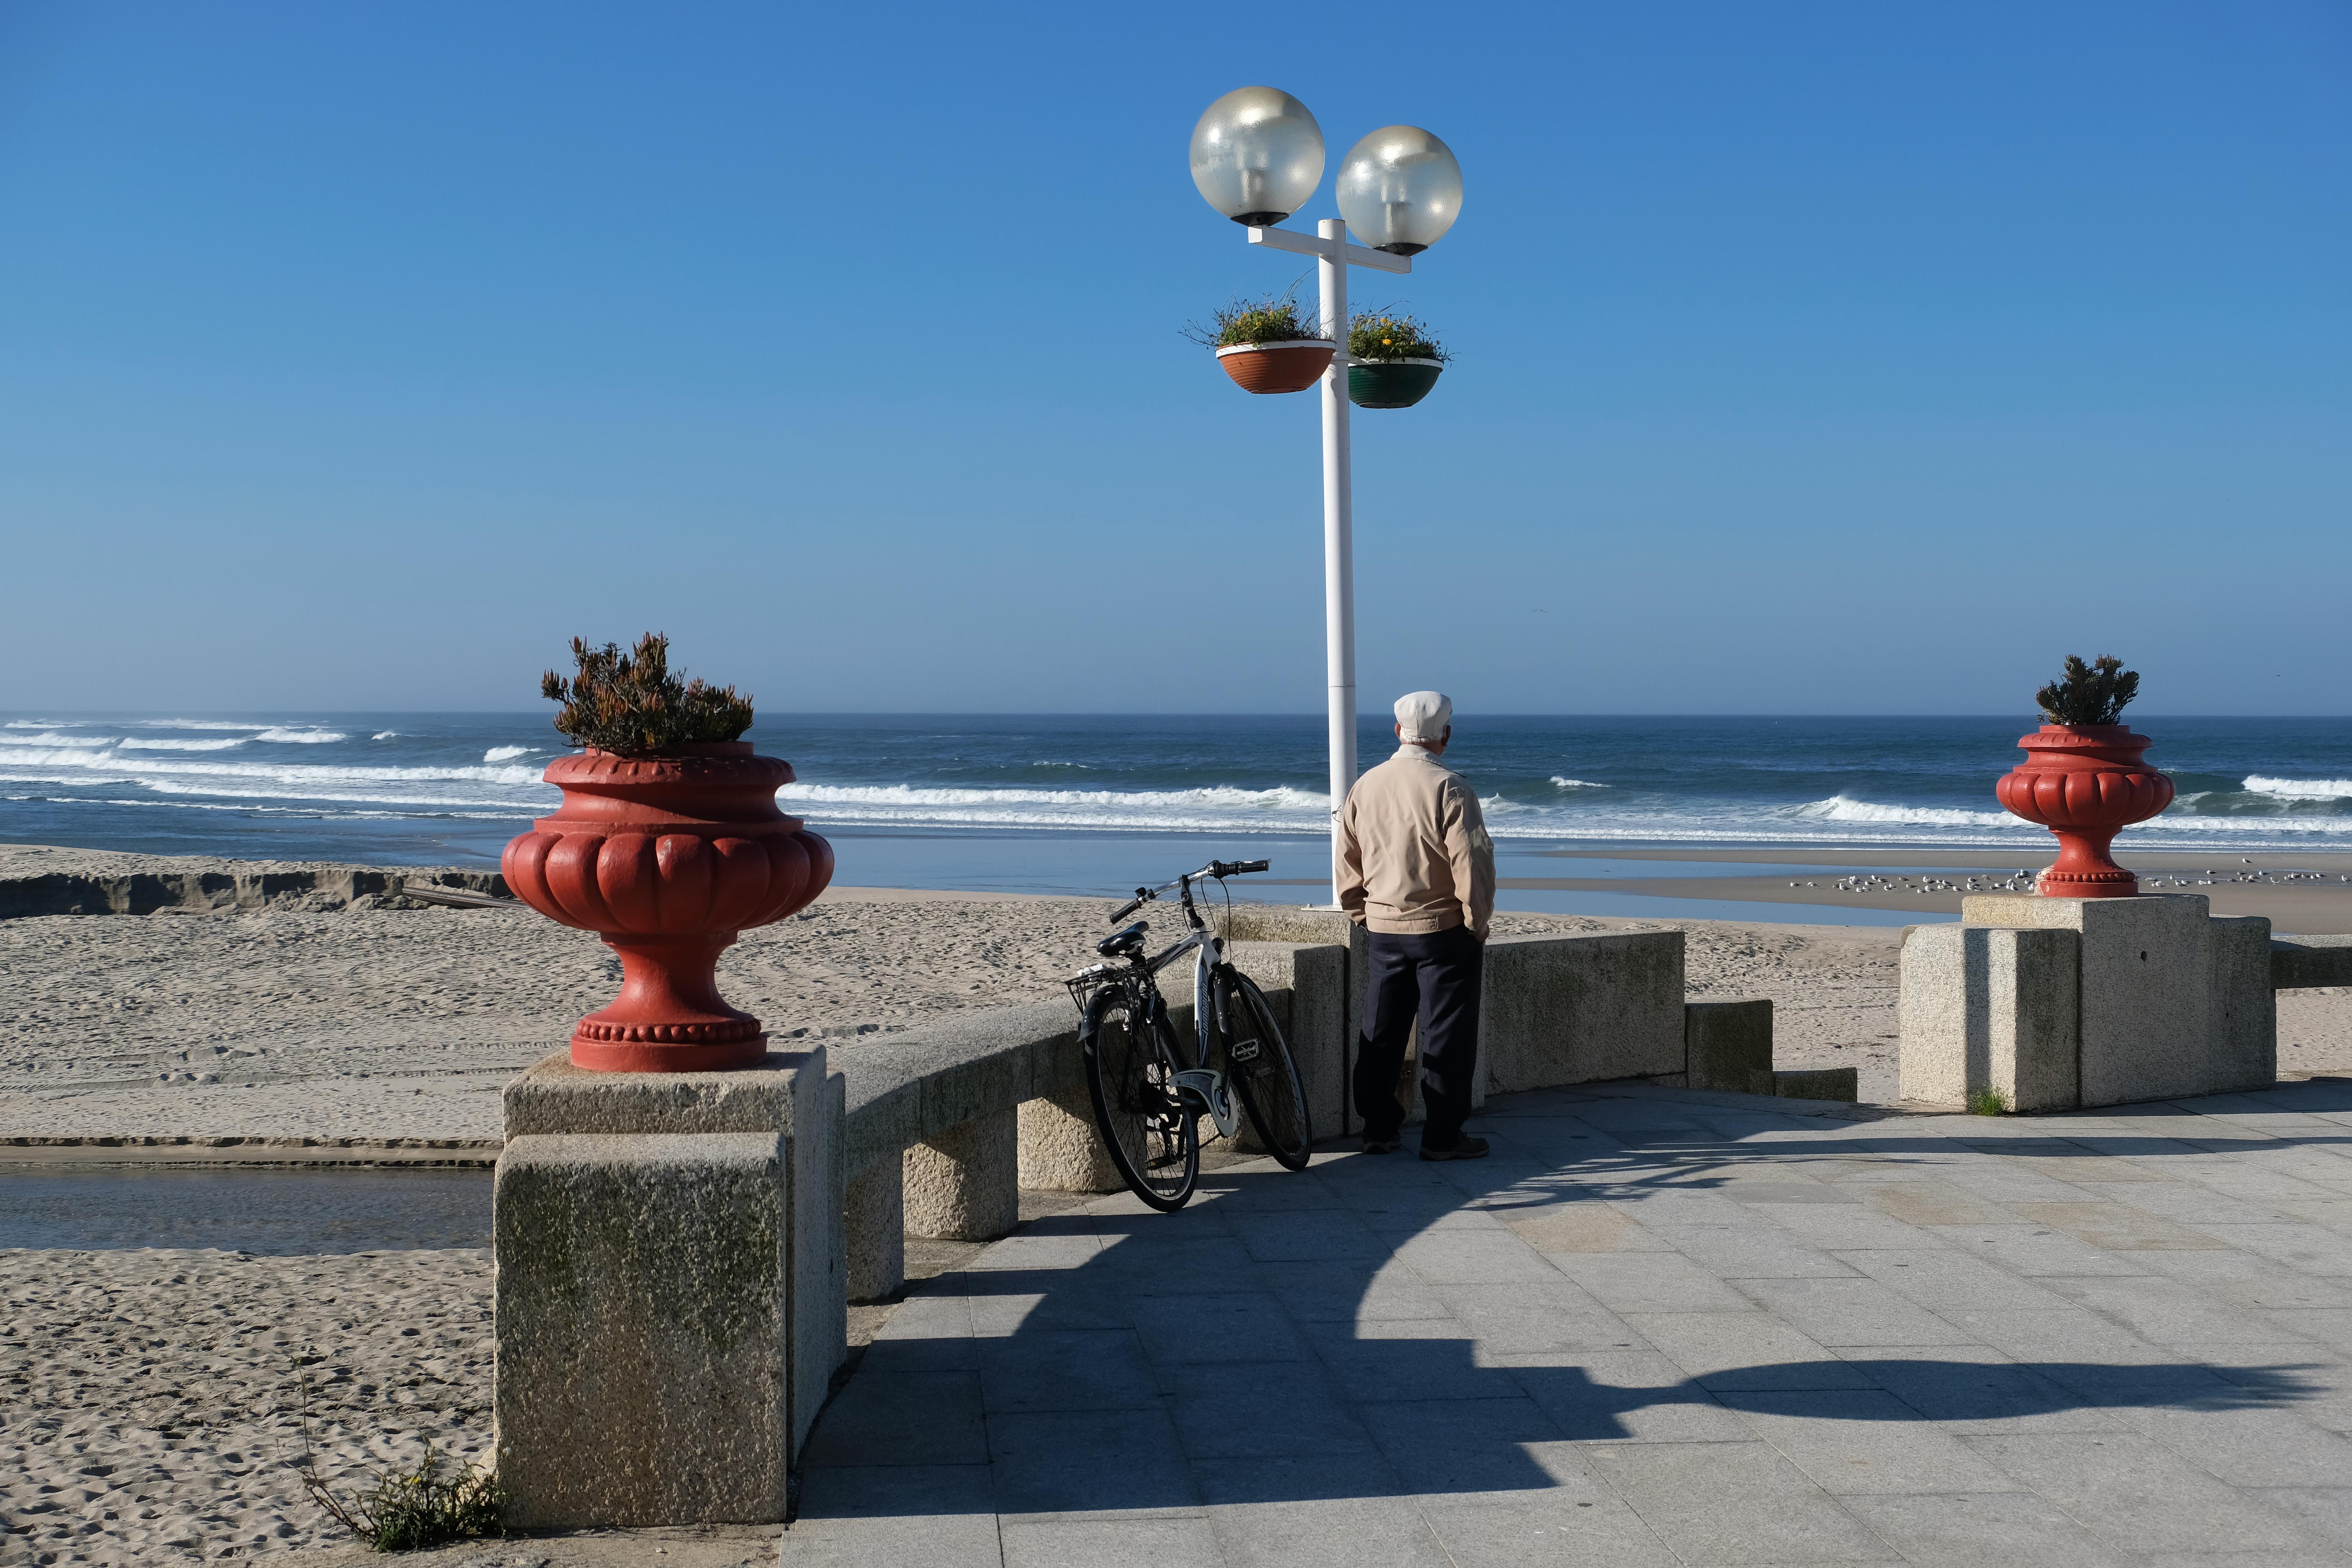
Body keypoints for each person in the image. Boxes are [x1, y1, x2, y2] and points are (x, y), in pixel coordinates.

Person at [1336, 690, 1496, 1160]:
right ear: (1445, 736)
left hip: (1384, 928)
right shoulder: (1451, 788)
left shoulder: (1365, 785)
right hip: (1443, 929)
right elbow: (1472, 863)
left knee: (1381, 1032)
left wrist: (1360, 911)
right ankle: (1443, 1136)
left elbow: (1348, 860)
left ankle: (1378, 1127)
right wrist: (1476, 922)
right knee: (1446, 1035)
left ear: (1397, 731)